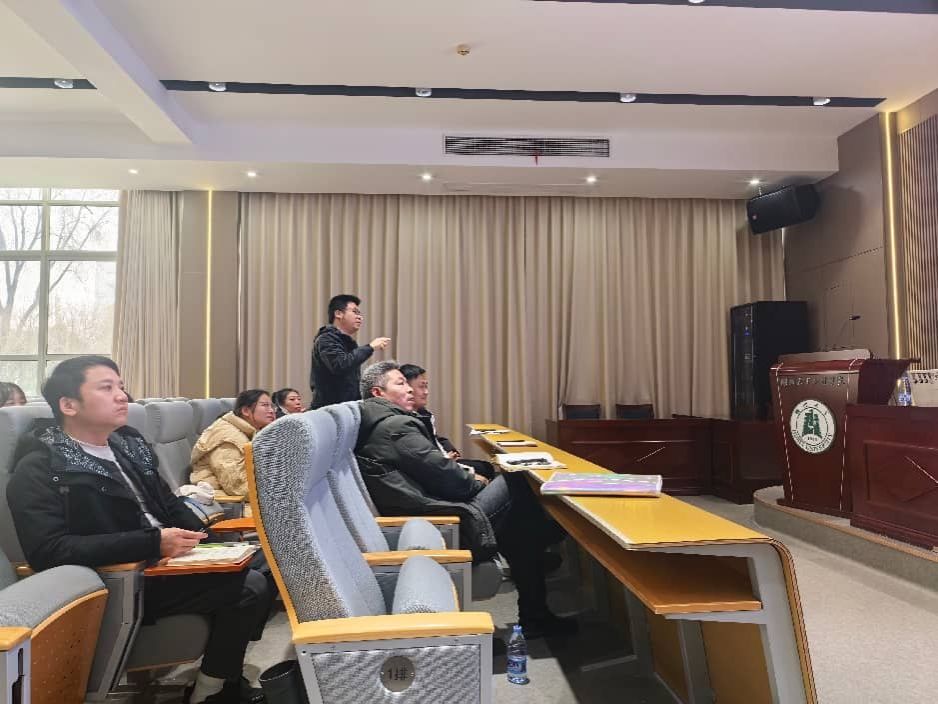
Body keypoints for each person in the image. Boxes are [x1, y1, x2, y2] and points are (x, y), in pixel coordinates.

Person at [6, 356, 270, 703]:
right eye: (106, 388)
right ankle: (211, 691)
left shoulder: (126, 444)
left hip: (165, 559)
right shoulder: (40, 468)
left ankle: (223, 672)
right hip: (121, 579)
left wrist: (215, 545)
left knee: (266, 561)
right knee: (249, 587)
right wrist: (151, 543)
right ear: (68, 405)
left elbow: (169, 504)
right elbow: (49, 551)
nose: (121, 395)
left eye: (120, 386)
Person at [355, 361, 575, 639]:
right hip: (444, 522)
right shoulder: (395, 427)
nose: (409, 389)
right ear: (378, 393)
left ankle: (535, 600)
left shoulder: (383, 423)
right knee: (517, 480)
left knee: (519, 531)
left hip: (434, 514)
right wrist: (477, 482)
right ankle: (545, 543)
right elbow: (453, 482)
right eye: (400, 384)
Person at [399, 363, 494, 480]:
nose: (426, 392)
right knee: (486, 470)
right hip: (435, 470)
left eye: (426, 386)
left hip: (442, 460)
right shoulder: (405, 420)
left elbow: (435, 438)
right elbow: (421, 458)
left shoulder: (423, 413)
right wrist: (444, 459)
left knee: (486, 467)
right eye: (421, 387)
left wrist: (450, 450)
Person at [309, 294, 391, 409]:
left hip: (345, 407)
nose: (360, 317)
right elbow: (341, 364)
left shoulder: (346, 342)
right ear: (338, 314)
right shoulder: (326, 338)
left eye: (360, 314)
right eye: (355, 312)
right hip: (330, 409)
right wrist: (370, 347)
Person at [191, 390, 276, 497]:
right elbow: (237, 487)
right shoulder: (228, 438)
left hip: (246, 494)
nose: (271, 411)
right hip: (225, 500)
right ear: (246, 411)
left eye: (272, 406)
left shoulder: (248, 430)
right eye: (265, 405)